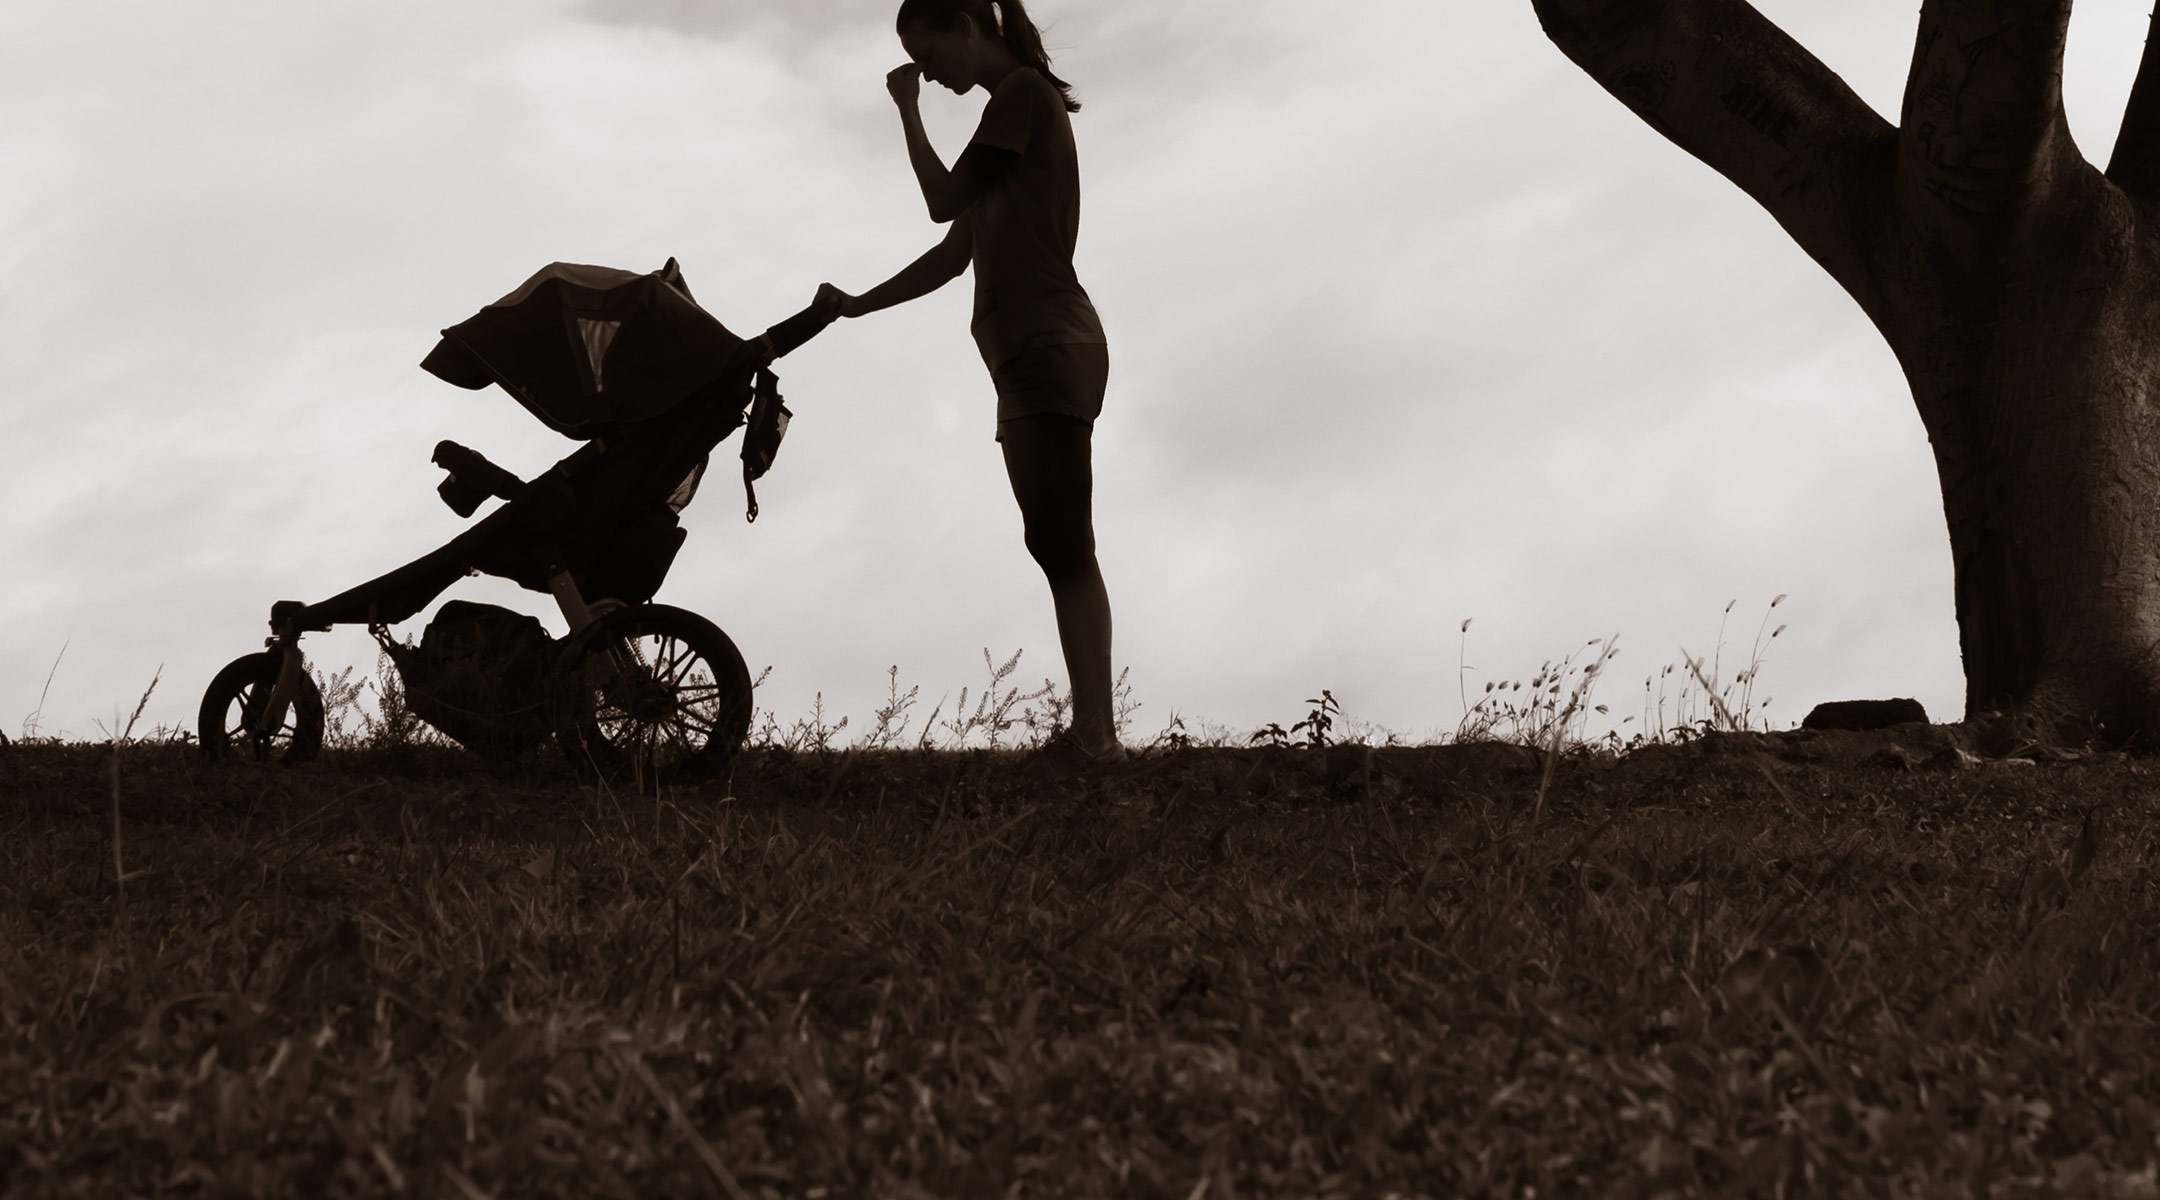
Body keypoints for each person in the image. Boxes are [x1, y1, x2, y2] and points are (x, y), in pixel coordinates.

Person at [817, 0, 1123, 763]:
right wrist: (858, 305)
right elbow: (953, 254)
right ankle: (1093, 733)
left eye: (930, 57)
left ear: (965, 28)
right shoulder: (1004, 128)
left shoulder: (1021, 94)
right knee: (1051, 540)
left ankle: (1099, 737)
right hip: (1022, 353)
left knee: (1064, 541)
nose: (928, 74)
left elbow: (939, 203)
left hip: (1050, 343)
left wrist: (907, 111)